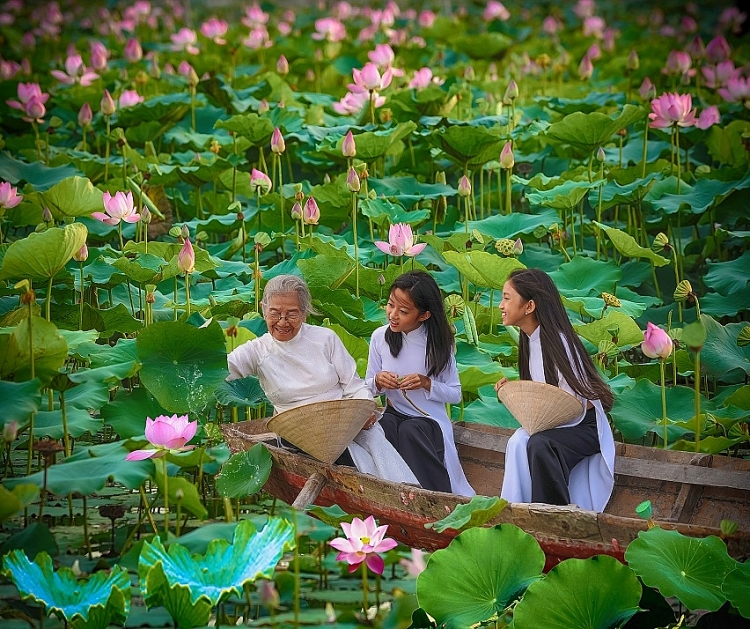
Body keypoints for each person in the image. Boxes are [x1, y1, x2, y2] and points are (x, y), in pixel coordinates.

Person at [227, 274, 418, 485]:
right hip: (298, 433)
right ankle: (378, 493)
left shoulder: (325, 339)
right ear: (263, 309)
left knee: (373, 438)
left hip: (343, 419)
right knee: (351, 455)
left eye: (292, 314)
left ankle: (404, 490)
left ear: (304, 313)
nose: (282, 322)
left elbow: (354, 386)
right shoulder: (257, 350)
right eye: (274, 313)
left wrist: (364, 410)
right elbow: (222, 369)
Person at [495, 268, 615, 512]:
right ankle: (515, 509)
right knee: (518, 441)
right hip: (555, 425)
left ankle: (552, 513)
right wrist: (513, 393)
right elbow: (541, 394)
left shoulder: (559, 343)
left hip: (585, 427)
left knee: (540, 444)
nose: (500, 305)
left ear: (529, 306)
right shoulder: (529, 341)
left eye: (507, 298)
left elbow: (572, 404)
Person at [366, 271, 475, 496]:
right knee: (380, 428)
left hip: (429, 421)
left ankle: (438, 495)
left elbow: (455, 394)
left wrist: (427, 384)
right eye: (390, 305)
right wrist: (377, 381)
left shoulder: (438, 345)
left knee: (410, 430)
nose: (393, 315)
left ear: (424, 315)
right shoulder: (380, 337)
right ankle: (391, 492)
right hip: (395, 413)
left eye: (403, 311)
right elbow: (366, 386)